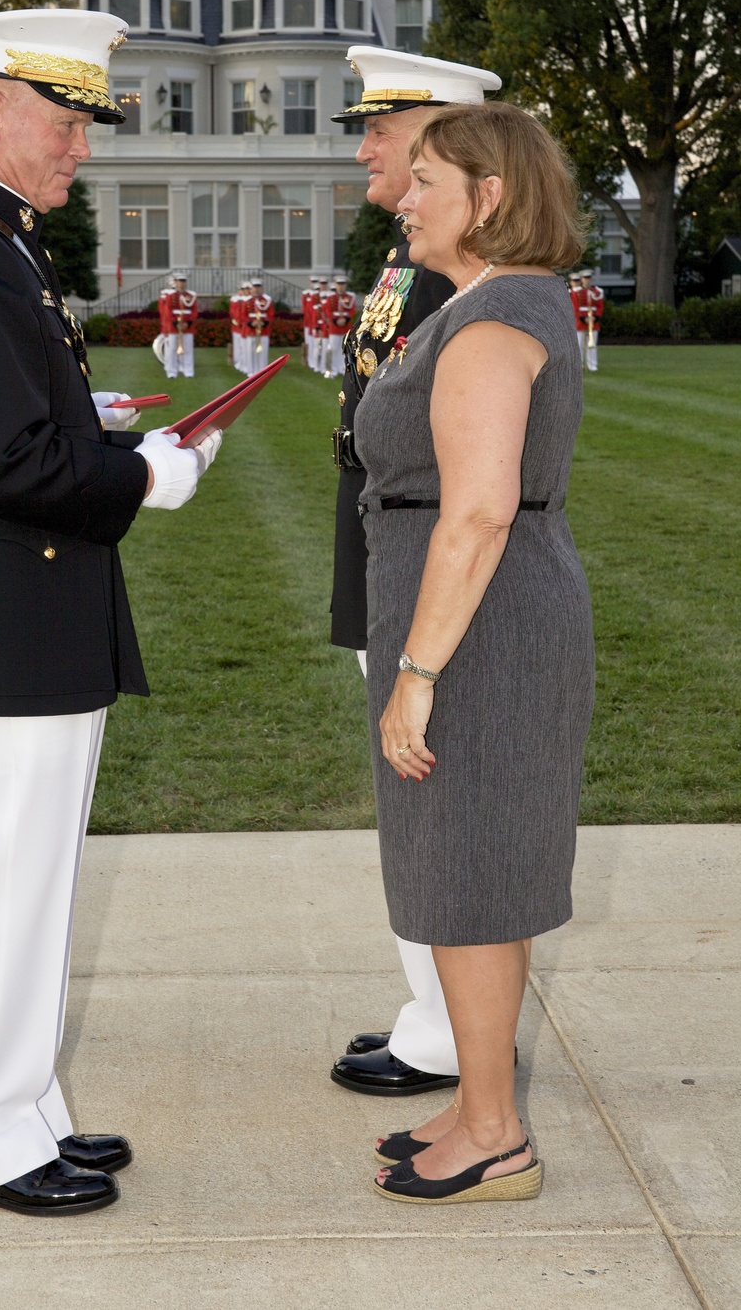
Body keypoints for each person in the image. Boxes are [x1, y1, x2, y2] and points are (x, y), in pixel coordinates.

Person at [0, 7, 219, 1217]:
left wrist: (118, 441)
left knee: (31, 891)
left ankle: (19, 1109)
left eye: (86, 121)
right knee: (2, 891)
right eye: (65, 118)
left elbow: (19, 432)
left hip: (21, 608)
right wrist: (146, 477)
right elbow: (9, 464)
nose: (81, 144)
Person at [356, 101, 592, 1203]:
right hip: (476, 617)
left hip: (479, 630)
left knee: (473, 872)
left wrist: (416, 673)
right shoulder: (484, 304)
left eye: (428, 182)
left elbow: (480, 510)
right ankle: (474, 1102)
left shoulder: (496, 319)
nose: (406, 197)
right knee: (467, 865)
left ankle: (496, 1134)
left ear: (487, 199)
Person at [327, 48, 501, 1101]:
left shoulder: (458, 267)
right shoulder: (413, 258)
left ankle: (447, 1032)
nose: (365, 150)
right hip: (381, 541)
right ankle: (430, 1015)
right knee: (416, 800)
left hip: (424, 551)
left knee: (437, 795)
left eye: (382, 133)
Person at [160, 270, 197, 377]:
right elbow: (167, 311)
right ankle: (172, 372)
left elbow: (194, 311)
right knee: (172, 349)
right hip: (173, 325)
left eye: (183, 281)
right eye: (179, 281)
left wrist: (188, 323)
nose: (182, 283)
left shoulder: (191, 295)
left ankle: (188, 371)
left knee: (188, 348)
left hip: (187, 325)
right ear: (175, 282)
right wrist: (175, 323)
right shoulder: (170, 296)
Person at [248, 276, 274, 372]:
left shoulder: (267, 300)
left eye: (258, 287)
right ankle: (252, 372)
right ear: (251, 288)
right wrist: (251, 323)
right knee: (251, 352)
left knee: (263, 352)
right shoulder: (248, 300)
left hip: (264, 329)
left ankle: (262, 372)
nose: (256, 289)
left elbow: (270, 314)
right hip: (251, 329)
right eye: (255, 287)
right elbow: (243, 315)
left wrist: (264, 322)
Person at [581, 269, 603, 371]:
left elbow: (600, 306)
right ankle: (580, 365)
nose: (587, 280)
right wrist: (583, 318)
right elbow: (575, 307)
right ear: (582, 280)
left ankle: (592, 365)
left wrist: (595, 317)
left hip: (593, 321)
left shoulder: (597, 292)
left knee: (592, 344)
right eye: (585, 278)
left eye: (589, 278)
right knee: (579, 345)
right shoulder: (577, 292)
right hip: (580, 322)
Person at [235, 279, 254, 375]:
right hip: (242, 327)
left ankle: (248, 367)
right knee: (242, 348)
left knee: (248, 349)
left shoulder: (251, 300)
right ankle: (244, 365)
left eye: (247, 288)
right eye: (244, 289)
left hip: (248, 327)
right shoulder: (241, 300)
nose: (245, 291)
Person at [301, 275, 320, 367]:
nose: (314, 283)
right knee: (309, 343)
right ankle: (308, 360)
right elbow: (305, 309)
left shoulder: (320, 294)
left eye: (316, 281)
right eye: (312, 282)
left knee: (316, 343)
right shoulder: (306, 293)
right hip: (309, 322)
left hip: (317, 322)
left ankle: (316, 361)